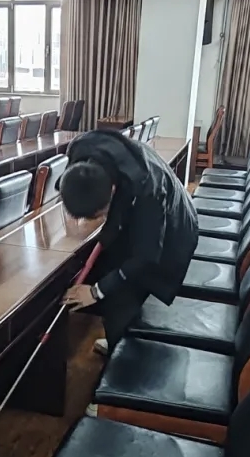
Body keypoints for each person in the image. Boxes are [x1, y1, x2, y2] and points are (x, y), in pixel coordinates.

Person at [60, 129, 199, 355]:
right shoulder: (80, 150)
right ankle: (118, 335)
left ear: (112, 190)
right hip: (135, 200)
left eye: (98, 214)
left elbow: (146, 256)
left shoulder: (148, 190)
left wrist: (95, 292)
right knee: (110, 262)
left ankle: (122, 353)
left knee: (126, 288)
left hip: (174, 227)